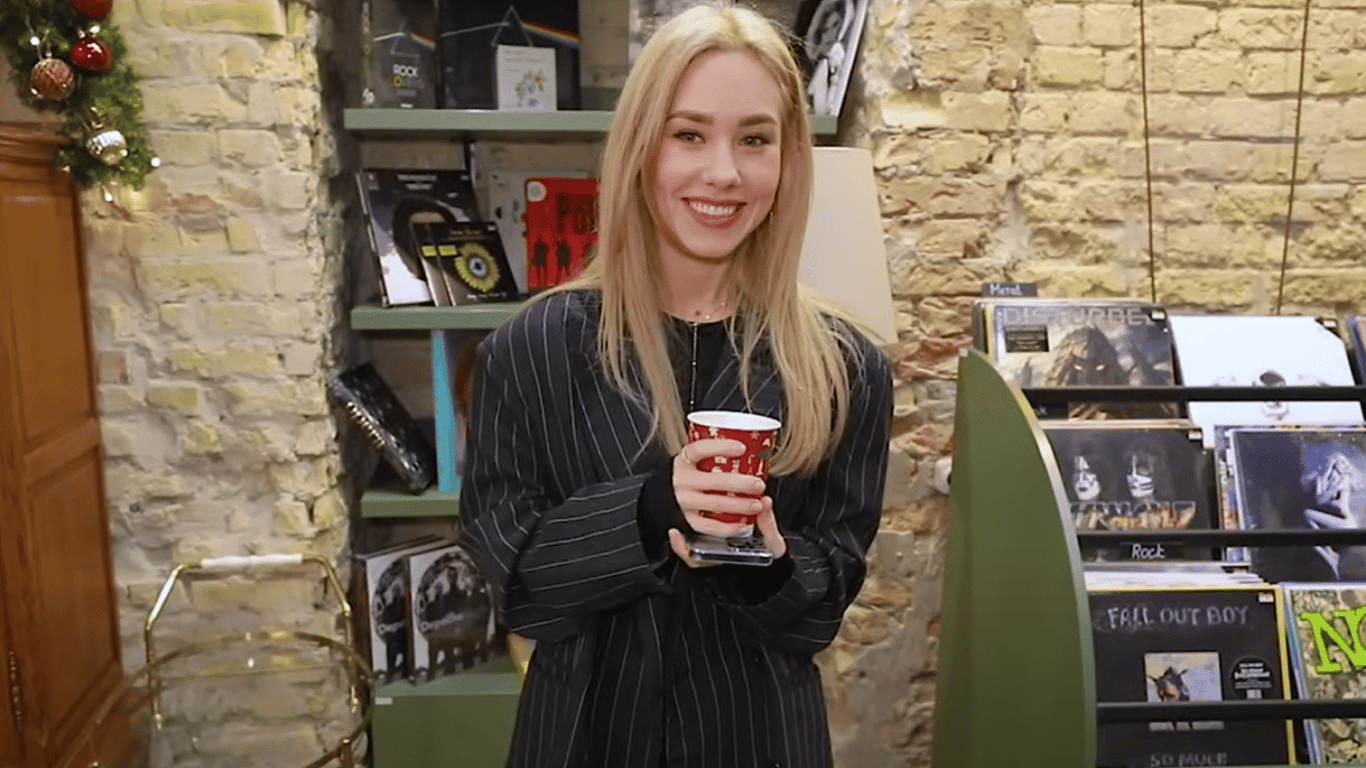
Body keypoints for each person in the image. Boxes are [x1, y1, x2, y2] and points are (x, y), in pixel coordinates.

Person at [456, 4, 894, 768]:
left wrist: (768, 566)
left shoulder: (846, 366)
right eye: (689, 134)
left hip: (762, 741)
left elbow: (823, 607)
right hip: (582, 740)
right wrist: (650, 508)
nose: (724, 172)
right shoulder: (530, 351)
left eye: (754, 139)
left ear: (788, 160)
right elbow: (520, 587)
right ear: (640, 148)